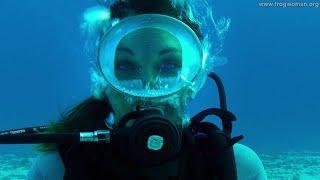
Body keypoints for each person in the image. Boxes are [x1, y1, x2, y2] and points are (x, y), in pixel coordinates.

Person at [27, 0, 268, 179]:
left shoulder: (239, 168)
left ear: (194, 81)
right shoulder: (55, 168)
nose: (148, 88)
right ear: (104, 80)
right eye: (126, 66)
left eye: (169, 66)